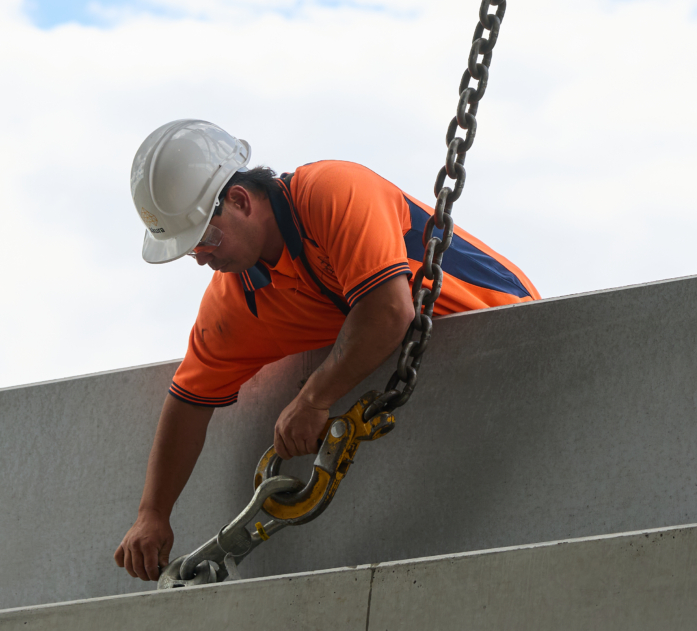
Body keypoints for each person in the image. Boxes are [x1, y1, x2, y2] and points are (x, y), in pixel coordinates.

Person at [112, 118, 539, 581]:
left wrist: (314, 396)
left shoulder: (331, 192)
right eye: (192, 250)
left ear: (239, 200)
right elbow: (189, 401)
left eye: (206, 239)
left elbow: (389, 311)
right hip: (450, 414)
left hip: (522, 343)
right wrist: (153, 512)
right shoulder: (239, 298)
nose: (202, 258)